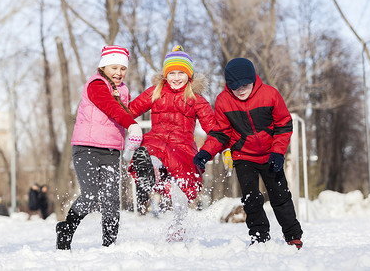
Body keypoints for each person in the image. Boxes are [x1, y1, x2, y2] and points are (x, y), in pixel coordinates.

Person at [193, 58, 303, 249]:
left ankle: (293, 235)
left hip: (271, 155)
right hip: (243, 156)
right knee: (251, 198)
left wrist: (278, 152)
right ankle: (259, 235)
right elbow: (220, 133)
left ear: (253, 79)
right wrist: (205, 153)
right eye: (236, 87)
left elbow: (284, 124)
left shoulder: (270, 95)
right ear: (229, 85)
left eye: (245, 85)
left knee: (280, 195)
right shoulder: (223, 101)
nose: (241, 90)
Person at [56, 45, 143, 250]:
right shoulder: (96, 84)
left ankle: (109, 245)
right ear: (103, 67)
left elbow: (127, 112)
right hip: (86, 148)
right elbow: (111, 107)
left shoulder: (123, 90)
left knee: (112, 199)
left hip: (112, 150)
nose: (119, 73)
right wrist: (131, 124)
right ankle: (66, 229)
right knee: (91, 194)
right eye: (114, 68)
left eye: (122, 69)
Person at [128, 45, 215, 242]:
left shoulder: (197, 99)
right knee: (149, 152)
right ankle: (152, 170)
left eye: (181, 73)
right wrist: (115, 107)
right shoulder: (155, 92)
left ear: (189, 76)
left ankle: (178, 225)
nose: (176, 78)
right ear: (165, 75)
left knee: (180, 188)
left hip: (182, 147)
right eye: (172, 73)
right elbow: (129, 111)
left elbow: (213, 129)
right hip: (156, 140)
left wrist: (221, 147)